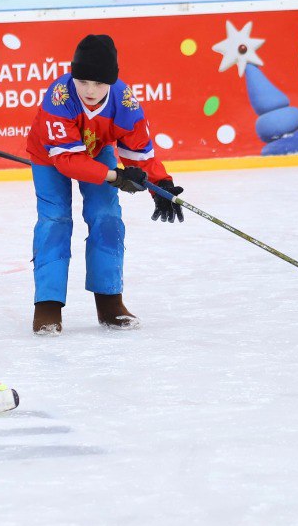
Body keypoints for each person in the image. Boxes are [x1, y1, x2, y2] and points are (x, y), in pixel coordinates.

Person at [26, 34, 184, 335]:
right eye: (83, 81)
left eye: (99, 83)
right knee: (55, 219)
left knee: (107, 216)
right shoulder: (59, 97)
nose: (90, 90)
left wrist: (161, 185)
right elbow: (67, 162)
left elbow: (140, 153)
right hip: (50, 156)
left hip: (97, 151)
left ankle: (110, 301)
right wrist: (116, 177)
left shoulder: (125, 102)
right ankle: (47, 304)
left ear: (112, 81)